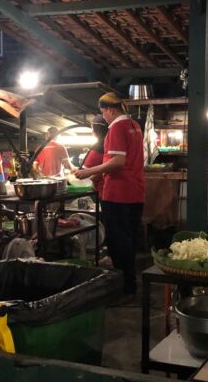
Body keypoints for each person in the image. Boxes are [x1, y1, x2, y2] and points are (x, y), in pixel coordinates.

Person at [75, 93, 144, 297]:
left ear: (111, 110)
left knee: (117, 242)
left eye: (104, 112)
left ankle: (124, 289)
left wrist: (89, 172)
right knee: (128, 241)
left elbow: (117, 162)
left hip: (117, 194)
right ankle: (130, 285)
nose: (103, 117)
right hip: (135, 192)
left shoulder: (116, 127)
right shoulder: (134, 126)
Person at [81, 114, 108, 195]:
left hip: (100, 191)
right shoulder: (109, 144)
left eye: (92, 128)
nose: (91, 131)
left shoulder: (98, 148)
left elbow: (86, 171)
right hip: (109, 190)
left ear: (97, 130)